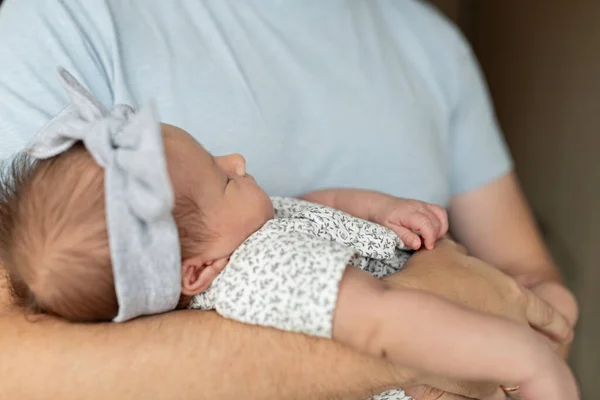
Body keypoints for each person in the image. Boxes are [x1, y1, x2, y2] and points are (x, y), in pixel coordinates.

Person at [0, 1, 578, 399]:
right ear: (198, 270)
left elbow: (313, 205)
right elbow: (19, 363)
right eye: (222, 179)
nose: (238, 162)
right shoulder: (58, 20)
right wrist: (510, 350)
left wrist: (379, 211)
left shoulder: (432, 43)